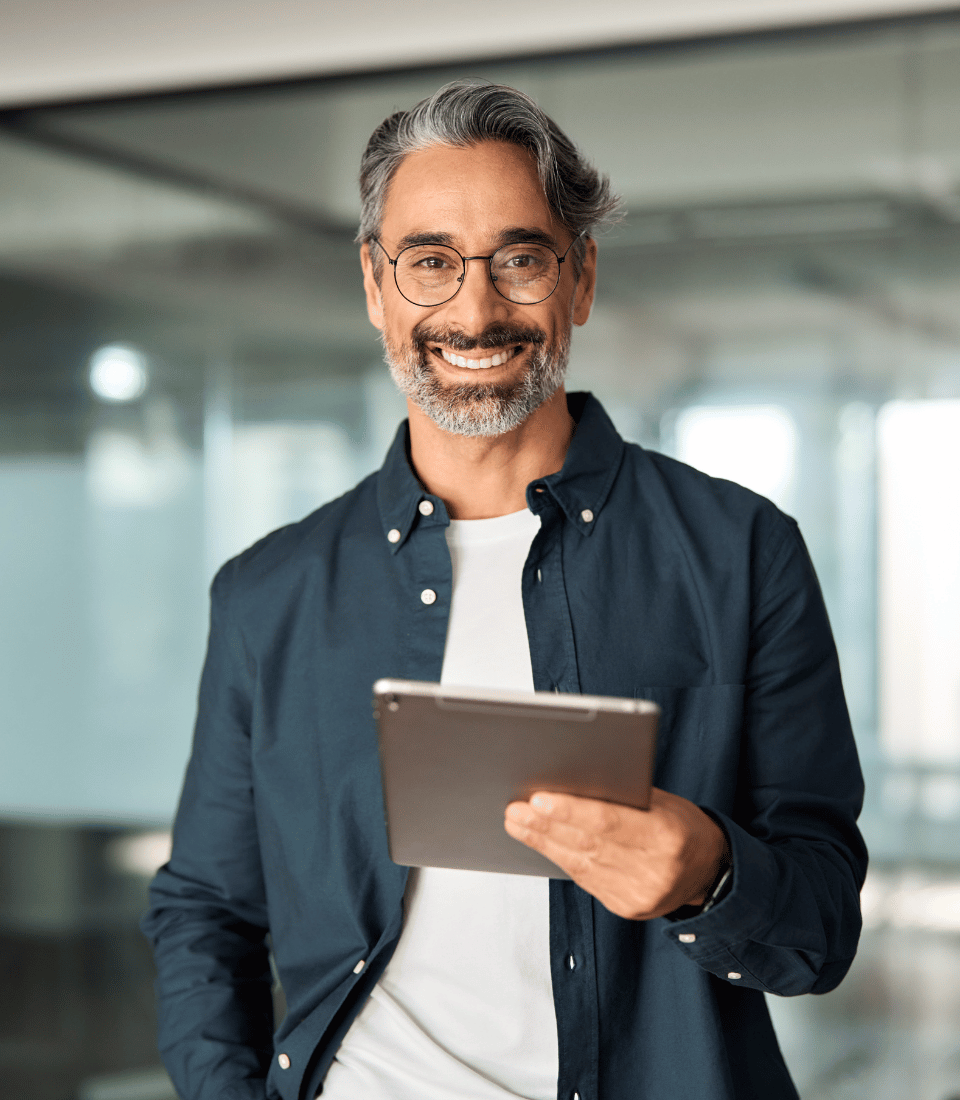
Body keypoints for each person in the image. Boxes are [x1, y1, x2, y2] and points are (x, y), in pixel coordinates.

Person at [143, 80, 867, 1100]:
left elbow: (819, 934)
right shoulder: (271, 592)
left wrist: (710, 874)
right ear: (375, 284)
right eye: (431, 263)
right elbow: (206, 909)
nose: (475, 310)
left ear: (579, 280)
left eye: (519, 260)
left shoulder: (740, 551)